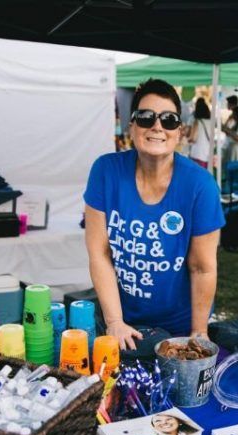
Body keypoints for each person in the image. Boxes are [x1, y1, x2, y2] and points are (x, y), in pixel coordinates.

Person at [84, 78, 225, 351]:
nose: (157, 126)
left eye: (169, 119)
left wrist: (198, 333)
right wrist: (115, 321)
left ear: (179, 132)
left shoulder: (201, 186)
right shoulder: (105, 171)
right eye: (146, 117)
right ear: (132, 126)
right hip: (122, 322)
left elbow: (202, 267)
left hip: (179, 326)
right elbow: (99, 253)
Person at [187, 97, 212, 170]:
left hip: (197, 154)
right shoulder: (211, 122)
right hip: (207, 154)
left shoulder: (197, 122)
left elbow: (193, 139)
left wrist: (188, 140)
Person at [220, 105, 238, 172]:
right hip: (231, 148)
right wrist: (229, 119)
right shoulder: (235, 123)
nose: (232, 115)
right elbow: (224, 129)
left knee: (234, 168)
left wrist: (228, 131)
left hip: (236, 150)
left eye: (233, 113)